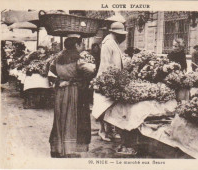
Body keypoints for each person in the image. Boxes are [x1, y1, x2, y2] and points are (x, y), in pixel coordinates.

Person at [92, 22, 137, 155]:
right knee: (103, 106)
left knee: (111, 106)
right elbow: (106, 64)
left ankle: (110, 130)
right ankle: (102, 130)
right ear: (115, 33)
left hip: (113, 78)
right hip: (107, 79)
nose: (123, 37)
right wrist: (109, 80)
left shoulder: (113, 42)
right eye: (121, 34)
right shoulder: (108, 43)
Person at [49, 37, 95, 158]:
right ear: (76, 45)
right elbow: (90, 70)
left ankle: (58, 147)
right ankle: (70, 149)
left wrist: (62, 77)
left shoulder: (58, 57)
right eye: (81, 44)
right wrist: (75, 78)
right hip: (73, 91)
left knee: (60, 117)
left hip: (60, 91)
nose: (83, 46)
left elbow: (51, 68)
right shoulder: (78, 59)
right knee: (72, 116)